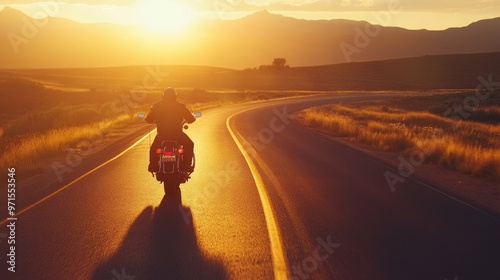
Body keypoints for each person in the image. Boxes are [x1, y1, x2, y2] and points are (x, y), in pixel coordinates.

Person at [145, 87, 196, 173]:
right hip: (177, 135)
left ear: (163, 96)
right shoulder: (180, 106)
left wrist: (153, 120)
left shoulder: (157, 106)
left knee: (154, 148)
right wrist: (191, 120)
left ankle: (153, 165)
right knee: (189, 144)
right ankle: (187, 165)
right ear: (175, 96)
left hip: (162, 136)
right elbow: (191, 119)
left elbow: (148, 119)